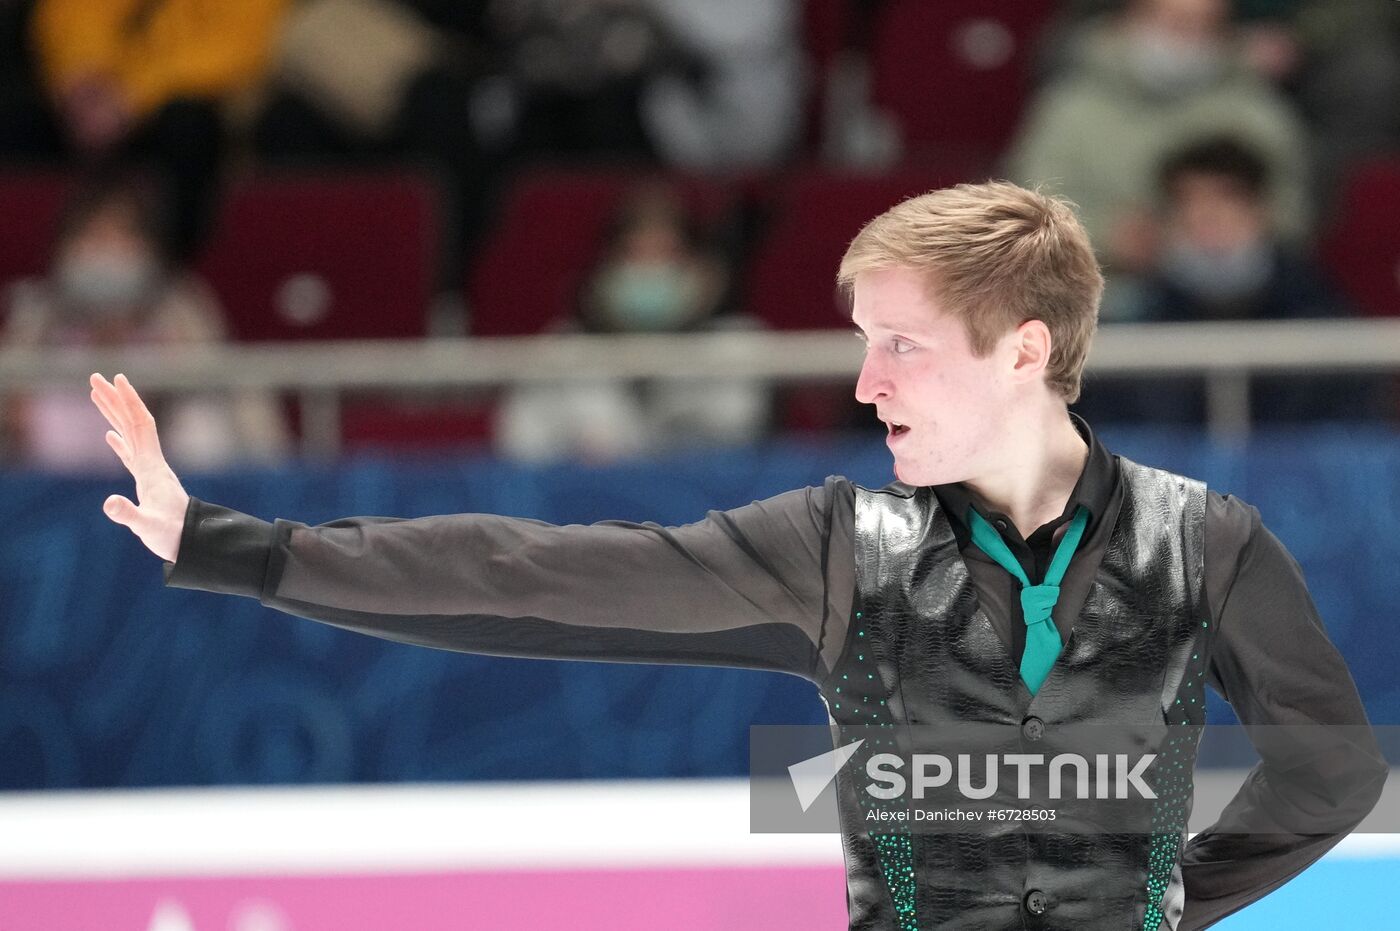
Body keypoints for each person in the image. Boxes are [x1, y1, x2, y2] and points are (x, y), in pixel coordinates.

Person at [89, 181, 1385, 930]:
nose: (867, 381)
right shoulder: (837, 544)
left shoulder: (1206, 539)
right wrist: (236, 544)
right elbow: (531, 572)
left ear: (1027, 348)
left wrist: (1174, 899)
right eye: (864, 340)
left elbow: (1333, 767)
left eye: (903, 343)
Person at [4, 178, 291, 470]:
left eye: (120, 236)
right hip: (52, 480)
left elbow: (234, 396)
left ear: (149, 247)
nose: (105, 250)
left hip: (164, 464)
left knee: (201, 426)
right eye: (93, 237)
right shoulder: (39, 313)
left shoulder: (183, 307)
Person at [494, 182, 769, 462]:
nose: (650, 269)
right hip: (585, 503)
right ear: (605, 268)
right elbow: (521, 456)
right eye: (634, 254)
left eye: (666, 253)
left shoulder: (737, 347)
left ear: (701, 268)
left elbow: (742, 439)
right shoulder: (562, 353)